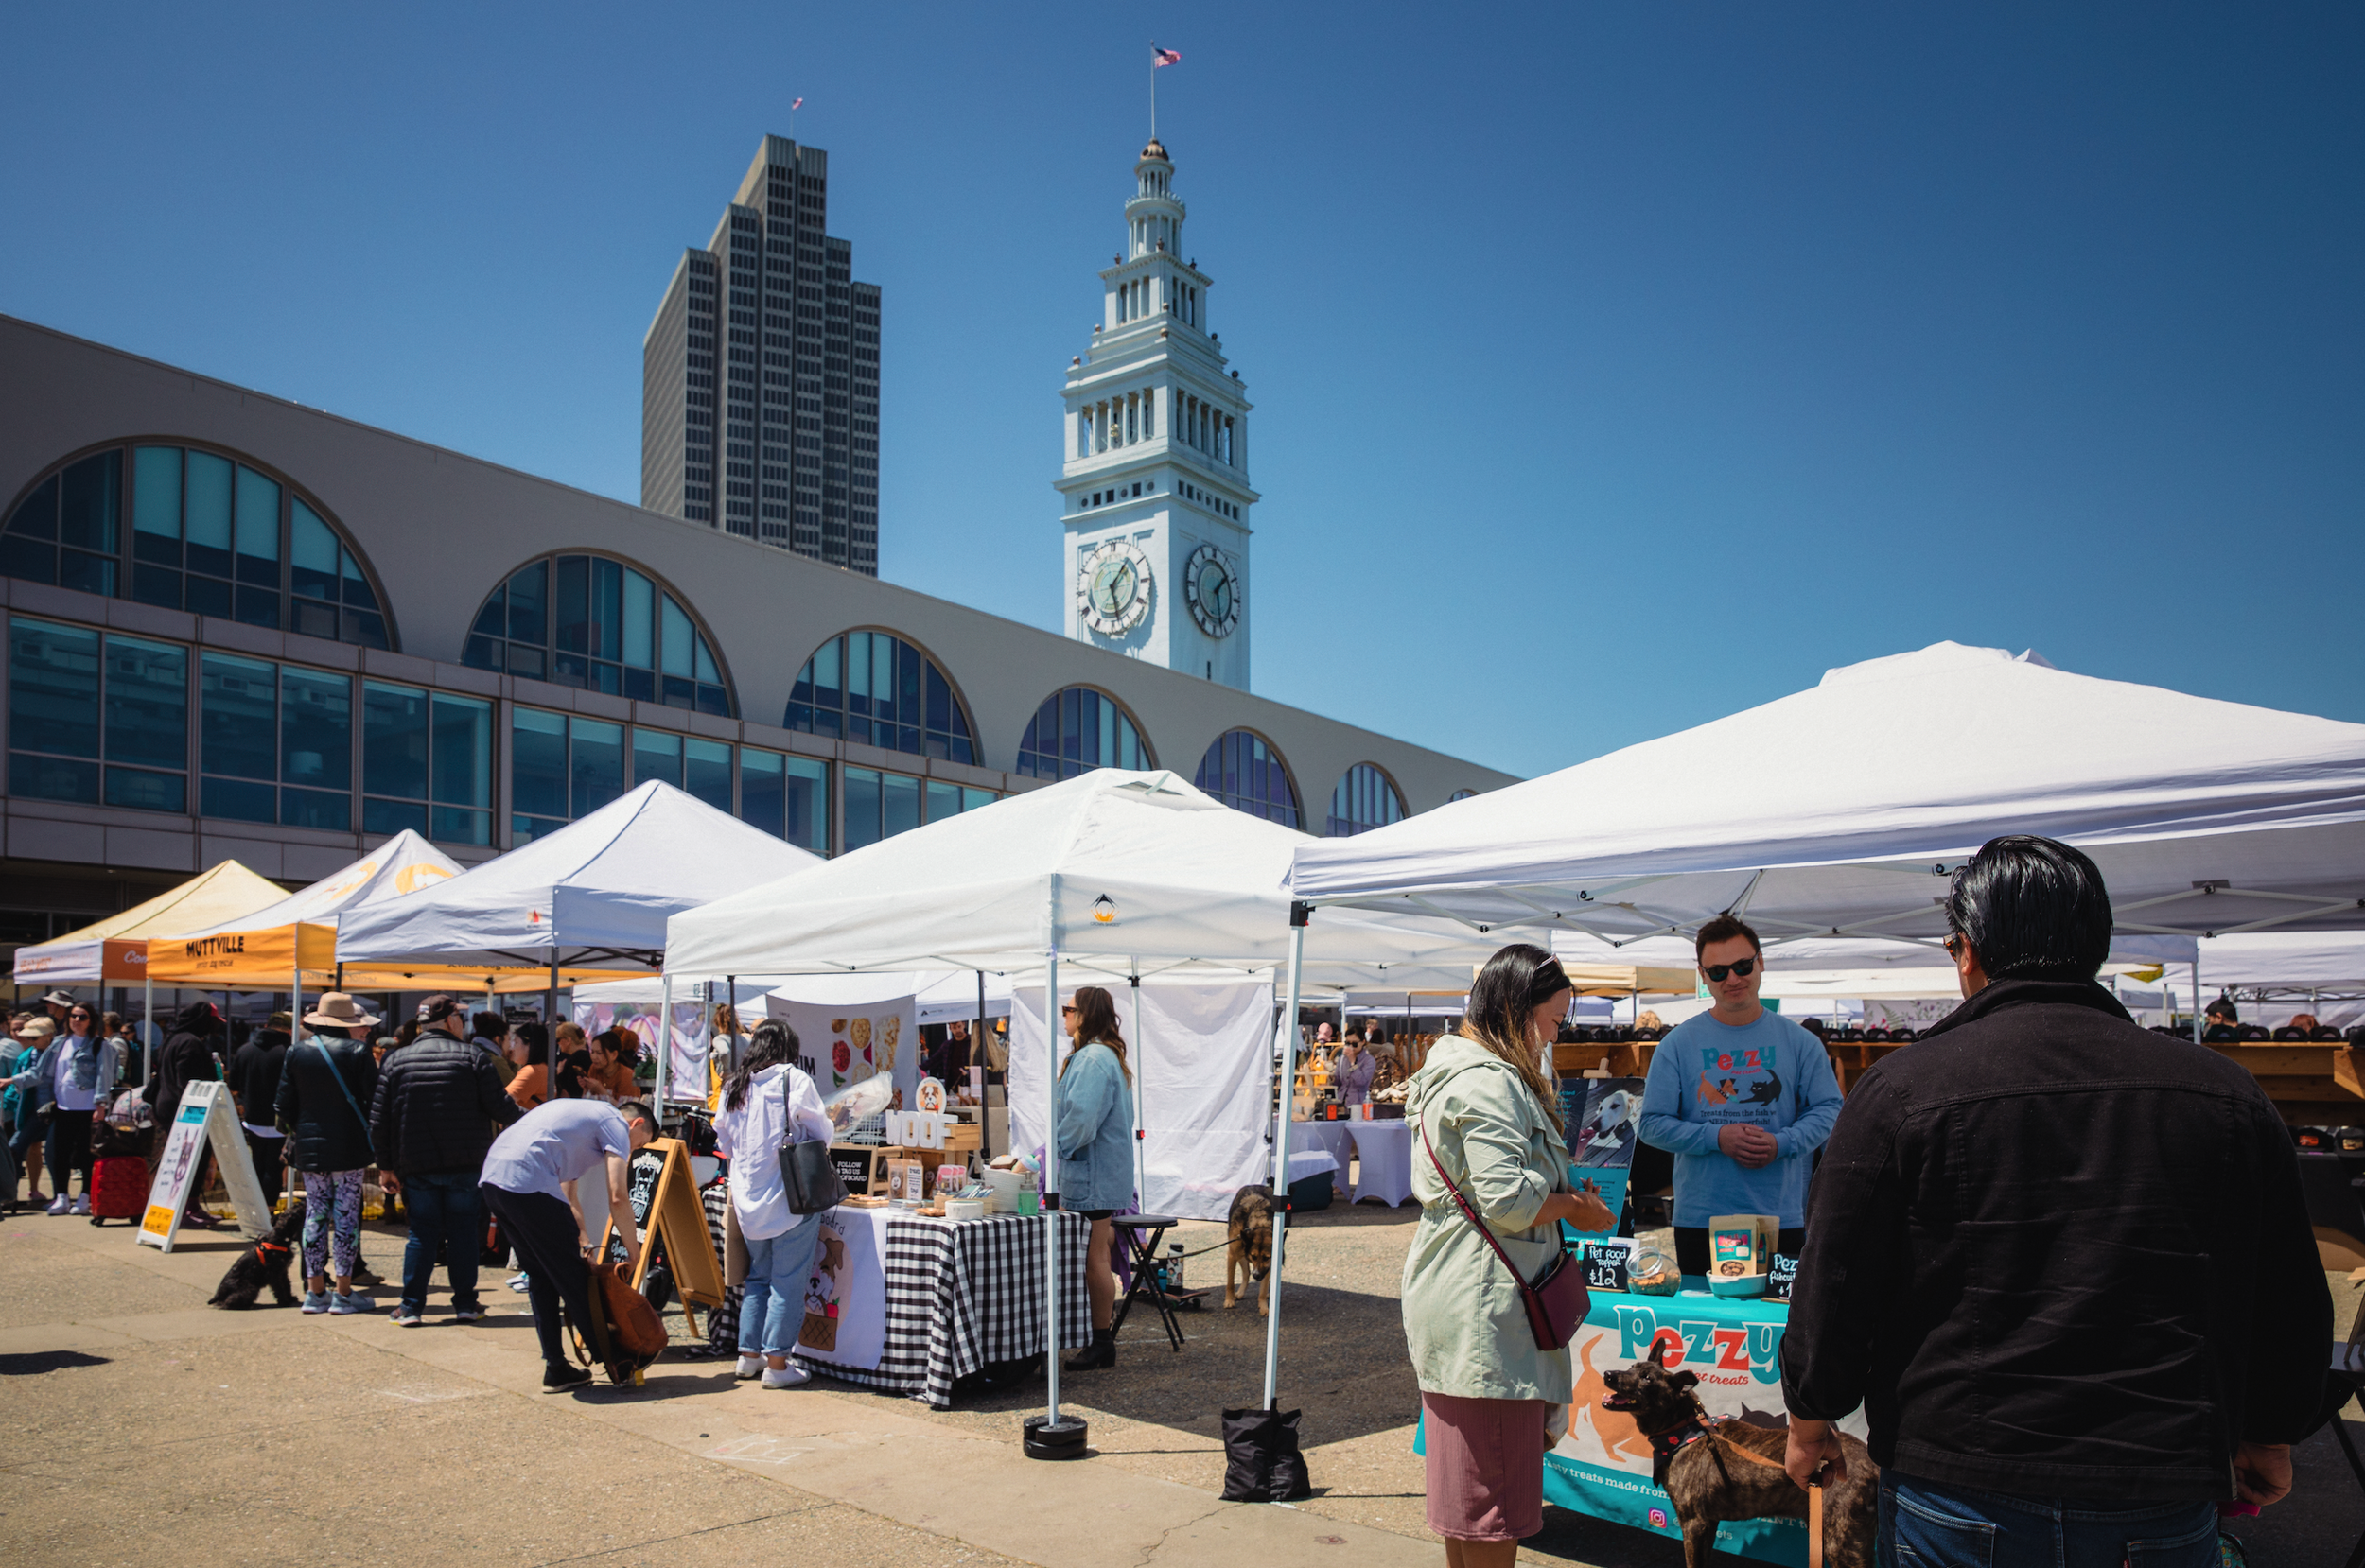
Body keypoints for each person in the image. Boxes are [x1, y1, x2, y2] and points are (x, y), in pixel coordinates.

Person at [1781, 836, 2331, 1562]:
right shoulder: (2222, 1094)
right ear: (2094, 947)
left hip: (1960, 1475)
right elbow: (2288, 1288)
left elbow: (1837, 1275)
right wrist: (2273, 1431)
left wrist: (1810, 1416)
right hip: (2157, 1473)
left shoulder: (1901, 1091)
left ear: (1967, 951)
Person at [1402, 944, 1613, 1565]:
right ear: (1518, 1013)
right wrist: (1572, 1207)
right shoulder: (1488, 1078)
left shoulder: (1460, 1068)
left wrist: (1563, 1192)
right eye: (1554, 1020)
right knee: (1491, 1508)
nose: (1556, 1034)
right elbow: (1508, 1200)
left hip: (1466, 1304)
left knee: (1468, 1503)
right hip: (1490, 1316)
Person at [1637, 915, 1843, 1278]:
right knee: (1709, 1329)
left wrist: (1783, 1143)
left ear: (1761, 962)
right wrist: (1716, 1138)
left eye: (1742, 966)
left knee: (1781, 1329)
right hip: (1702, 1220)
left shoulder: (1800, 1043)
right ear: (1702, 976)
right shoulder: (1677, 1045)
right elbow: (1651, 1124)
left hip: (1781, 1217)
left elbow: (1829, 1110)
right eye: (1718, 972)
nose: (1732, 979)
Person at [479, 1095, 657, 1392]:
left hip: (495, 1181)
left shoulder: (581, 1123)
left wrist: (583, 1240)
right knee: (576, 1280)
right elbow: (618, 1195)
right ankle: (618, 1361)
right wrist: (635, 1252)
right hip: (527, 1183)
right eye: (640, 1143)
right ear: (636, 1123)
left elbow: (568, 1193)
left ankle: (556, 1367)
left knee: (542, 1277)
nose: (635, 1151)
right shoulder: (613, 1121)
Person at [369, 994, 521, 1327]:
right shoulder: (472, 1057)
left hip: (417, 1163)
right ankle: (465, 1304)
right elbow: (502, 1109)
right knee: (464, 1232)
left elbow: (379, 1121)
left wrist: (386, 1166)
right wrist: (538, 1121)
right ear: (451, 1021)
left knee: (421, 1234)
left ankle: (411, 1307)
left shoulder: (396, 1061)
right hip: (466, 1162)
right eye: (460, 1018)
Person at [711, 1020, 833, 1389]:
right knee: (787, 1282)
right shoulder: (794, 1080)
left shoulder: (734, 1085)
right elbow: (821, 1133)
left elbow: (723, 1137)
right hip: (789, 1197)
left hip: (748, 1199)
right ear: (787, 1048)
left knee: (758, 1278)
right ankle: (778, 1364)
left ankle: (749, 1356)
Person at [277, 994, 383, 1314]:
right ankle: (344, 1292)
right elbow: (374, 1099)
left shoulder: (296, 1051)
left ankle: (315, 1291)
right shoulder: (358, 1051)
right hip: (349, 1146)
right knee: (347, 1215)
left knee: (315, 1214)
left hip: (310, 1147)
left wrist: (303, 1128)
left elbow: (282, 1105)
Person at [1053, 985, 1138, 1372]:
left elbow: (1081, 1120)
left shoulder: (1092, 1059)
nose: (1064, 1015)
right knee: (1098, 1251)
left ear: (1085, 1014)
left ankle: (1101, 1340)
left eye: (1069, 1009)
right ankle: (1099, 1339)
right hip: (1099, 1173)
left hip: (1091, 1175)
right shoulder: (1105, 1056)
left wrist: (1059, 1147)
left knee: (1094, 1258)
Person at [9, 1007, 122, 1214]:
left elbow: (104, 1075)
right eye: (73, 1016)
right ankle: (61, 1196)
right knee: (58, 1153)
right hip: (62, 1107)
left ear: (91, 1020)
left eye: (82, 1017)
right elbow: (39, 1073)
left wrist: (100, 1105)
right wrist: (12, 1080)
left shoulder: (99, 1045)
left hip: (87, 1108)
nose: (77, 1020)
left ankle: (84, 1196)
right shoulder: (60, 1043)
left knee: (85, 1154)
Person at [144, 1001, 227, 1228]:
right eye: (213, 1022)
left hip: (166, 1106)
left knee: (182, 1158)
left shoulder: (173, 1039)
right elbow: (188, 1083)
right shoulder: (190, 1043)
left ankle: (185, 1206)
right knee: (194, 1158)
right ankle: (188, 1207)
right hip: (183, 1109)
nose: (215, 1027)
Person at [227, 1010, 293, 1211]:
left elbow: (234, 1085)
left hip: (252, 1116)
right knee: (274, 1166)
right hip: (280, 1118)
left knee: (256, 1162)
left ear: (266, 1026)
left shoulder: (245, 1050)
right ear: (289, 1030)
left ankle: (255, 1208)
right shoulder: (290, 1051)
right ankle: (269, 1209)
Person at [580, 1029, 639, 1102]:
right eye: (592, 1052)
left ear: (614, 1055)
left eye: (599, 1053)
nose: (593, 1057)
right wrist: (586, 1087)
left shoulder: (627, 1075)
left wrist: (601, 1090)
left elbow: (626, 1109)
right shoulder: (594, 1068)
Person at [506, 1022, 552, 1110]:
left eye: (516, 1042)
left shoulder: (531, 1071)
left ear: (529, 1045)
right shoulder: (543, 1068)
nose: (512, 1048)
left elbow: (502, 1103)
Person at [470, 1012, 519, 1088]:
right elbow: (515, 1090)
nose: (510, 1045)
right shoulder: (496, 1062)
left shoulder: (470, 1051)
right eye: (508, 1039)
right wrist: (513, 1063)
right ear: (498, 1039)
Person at [1336, 1032, 1377, 1107]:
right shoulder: (1342, 1059)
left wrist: (1353, 1063)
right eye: (1348, 1043)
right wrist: (1329, 1077)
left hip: (1358, 1103)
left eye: (1354, 1044)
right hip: (1340, 1101)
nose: (1351, 1046)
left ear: (1363, 1042)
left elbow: (1362, 1082)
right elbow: (1338, 1081)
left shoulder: (1369, 1060)